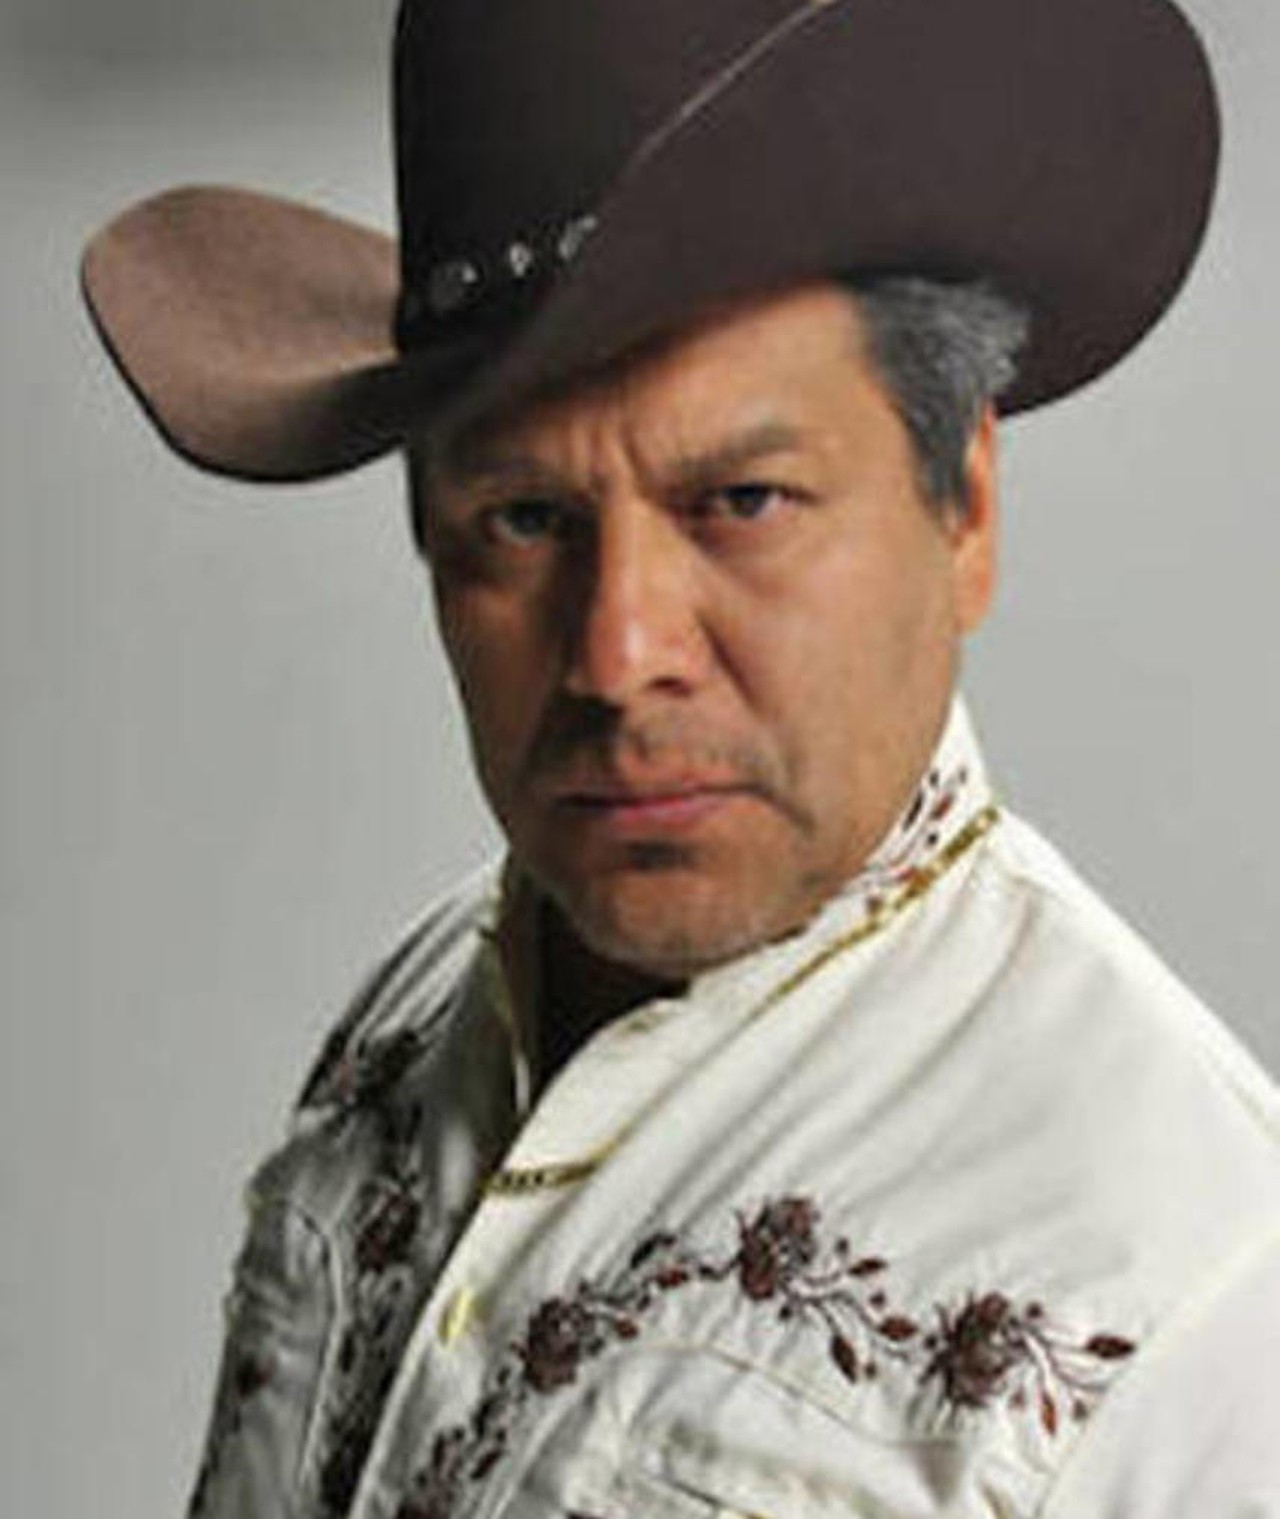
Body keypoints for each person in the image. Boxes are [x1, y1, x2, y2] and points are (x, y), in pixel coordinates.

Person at [81, 1, 1280, 1515]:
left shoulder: (1185, 1298)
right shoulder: (416, 1011)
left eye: (743, 502)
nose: (616, 653)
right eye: (524, 521)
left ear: (964, 505)